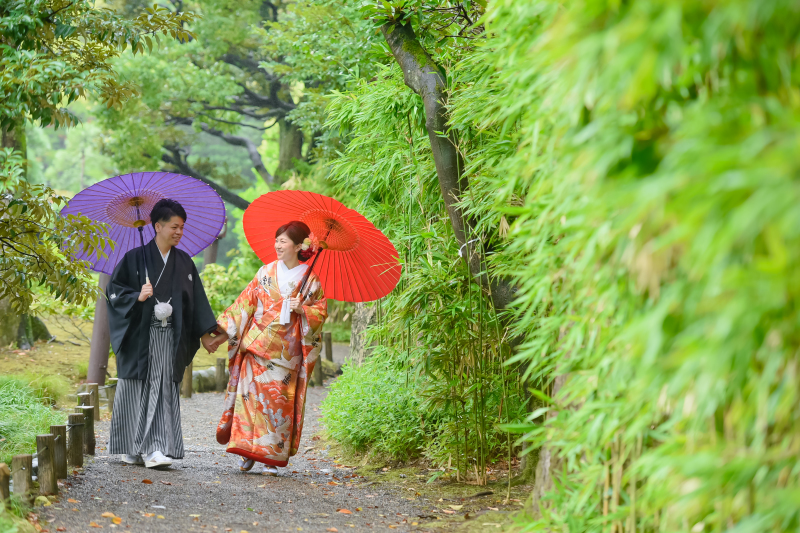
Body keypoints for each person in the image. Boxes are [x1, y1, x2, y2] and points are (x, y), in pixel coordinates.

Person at [106, 198, 222, 468]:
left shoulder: (184, 263)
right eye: (174, 226)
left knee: (160, 389)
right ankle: (132, 448)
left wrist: (205, 333)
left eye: (182, 227)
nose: (179, 232)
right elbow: (114, 294)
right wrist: (138, 295)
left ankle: (155, 447)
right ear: (157, 226)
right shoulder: (134, 258)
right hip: (139, 336)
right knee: (135, 388)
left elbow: (196, 302)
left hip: (168, 337)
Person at [208, 221, 327, 476]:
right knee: (249, 402)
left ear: (298, 246)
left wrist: (302, 309)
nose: (277, 245)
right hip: (256, 345)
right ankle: (247, 451)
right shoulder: (265, 272)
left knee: (278, 404)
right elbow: (244, 304)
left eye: (283, 241)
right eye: (277, 240)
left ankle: (270, 458)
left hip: (286, 353)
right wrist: (219, 334)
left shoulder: (311, 280)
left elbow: (320, 313)